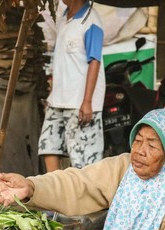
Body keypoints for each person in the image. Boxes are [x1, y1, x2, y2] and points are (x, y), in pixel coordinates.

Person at [0, 109, 165, 230]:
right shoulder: (124, 168)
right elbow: (79, 183)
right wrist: (31, 186)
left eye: (152, 145)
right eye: (138, 140)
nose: (140, 151)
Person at [38, 0, 105, 172]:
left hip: (80, 101)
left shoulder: (92, 20)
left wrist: (87, 101)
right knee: (48, 146)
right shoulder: (63, 16)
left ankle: (86, 197)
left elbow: (95, 61)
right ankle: (55, 192)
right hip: (58, 100)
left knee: (83, 159)